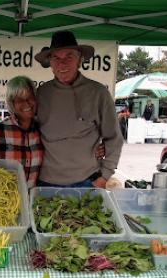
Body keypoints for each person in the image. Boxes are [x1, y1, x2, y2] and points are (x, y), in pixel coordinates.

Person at [0, 76, 104, 188]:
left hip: (35, 199)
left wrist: (95, 148)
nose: (27, 104)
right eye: (20, 100)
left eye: (30, 97)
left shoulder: (44, 128)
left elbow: (68, 143)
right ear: (12, 103)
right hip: (5, 202)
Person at [33, 31, 123, 188]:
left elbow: (114, 137)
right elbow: (23, 130)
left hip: (87, 181)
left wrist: (105, 175)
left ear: (80, 60)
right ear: (50, 63)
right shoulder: (40, 94)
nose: (62, 64)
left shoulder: (98, 93)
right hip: (45, 182)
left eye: (69, 57)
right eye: (56, 58)